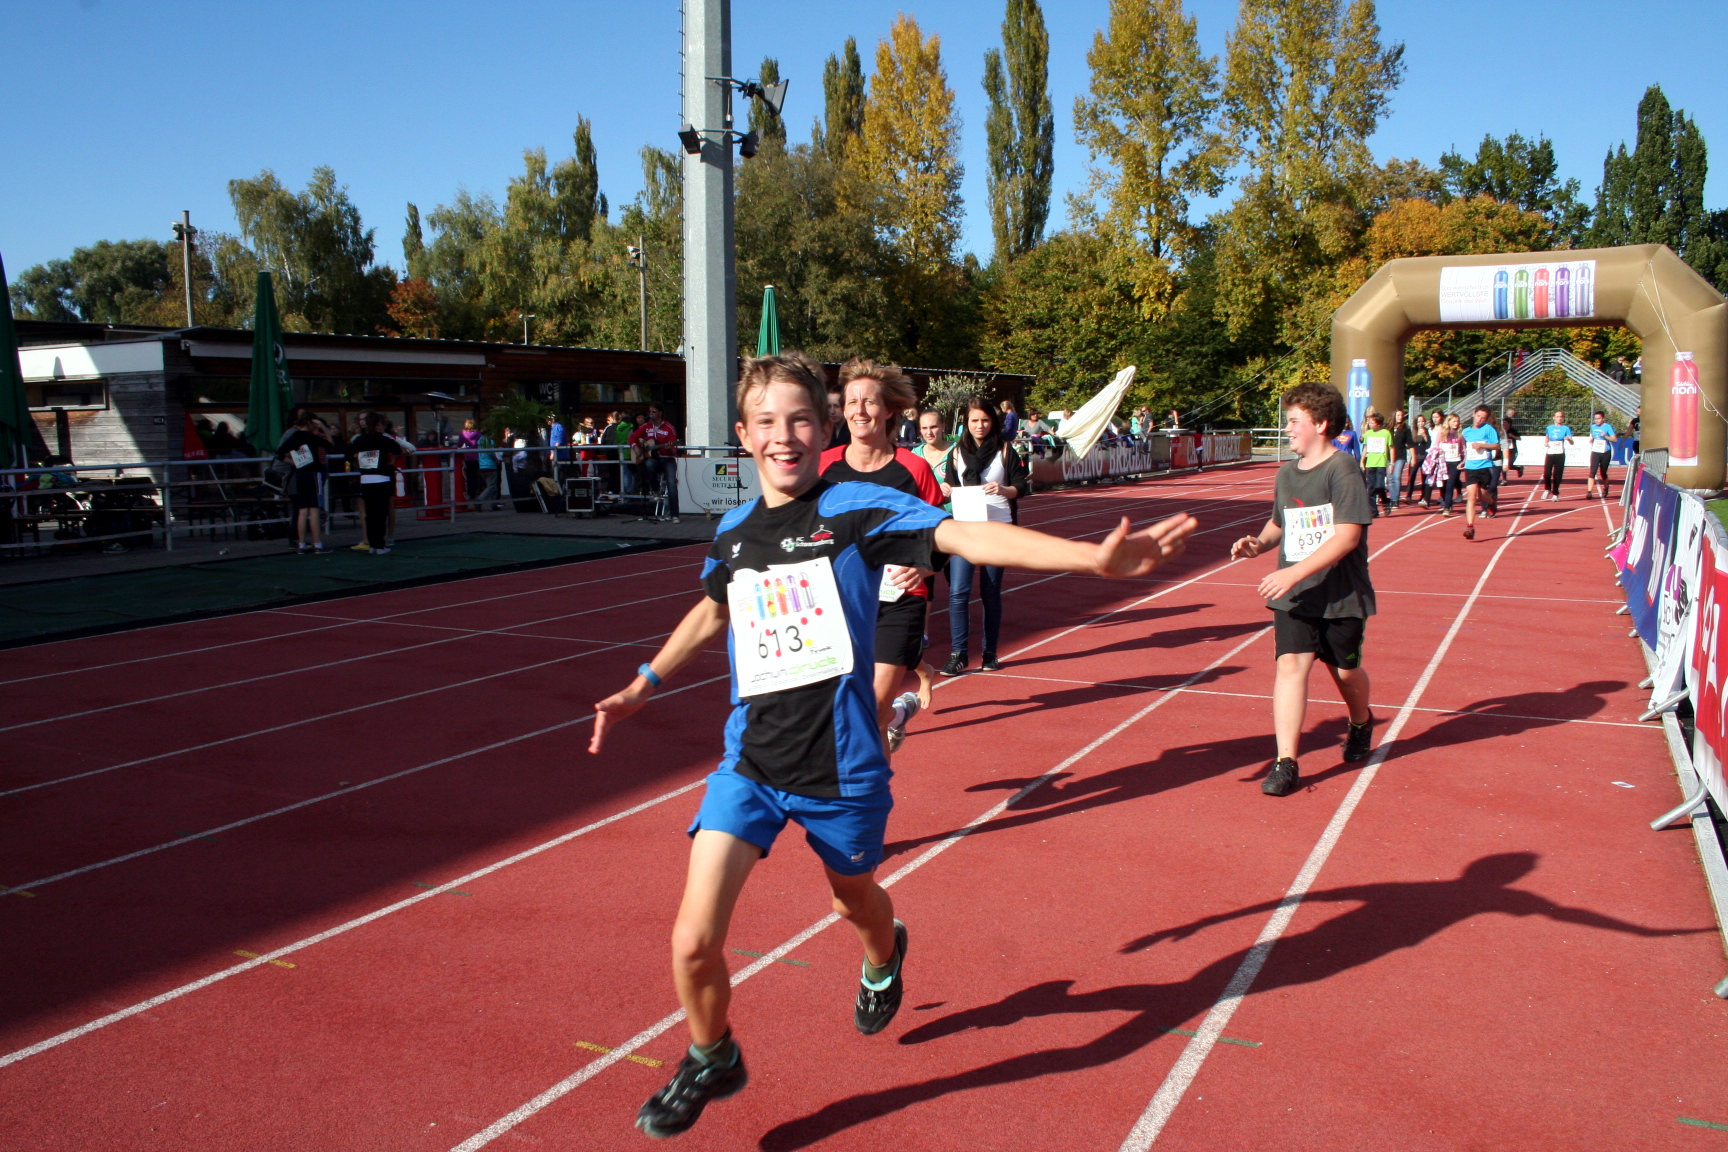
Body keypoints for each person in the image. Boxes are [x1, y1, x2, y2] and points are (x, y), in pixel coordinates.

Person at [587, 351, 1196, 1139]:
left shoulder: (856, 507)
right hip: (751, 762)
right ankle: (712, 1055)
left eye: (799, 420)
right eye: (767, 422)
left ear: (824, 429)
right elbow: (715, 607)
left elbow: (965, 538)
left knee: (854, 901)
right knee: (693, 941)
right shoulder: (734, 530)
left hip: (842, 763)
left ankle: (884, 954)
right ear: (743, 434)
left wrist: (1092, 559)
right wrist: (645, 681)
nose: (783, 436)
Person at [1230, 380, 1376, 798]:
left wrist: (1292, 574)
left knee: (1345, 671)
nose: (1288, 428)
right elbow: (1280, 523)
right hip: (1295, 597)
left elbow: (1347, 536)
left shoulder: (1342, 469)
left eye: (1295, 421)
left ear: (1321, 424)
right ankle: (1286, 762)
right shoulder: (1286, 473)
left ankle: (1361, 721)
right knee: (1290, 667)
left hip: (1339, 594)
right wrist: (1258, 544)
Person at [820, 360, 946, 752]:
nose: (859, 411)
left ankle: (893, 714)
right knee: (849, 715)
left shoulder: (914, 469)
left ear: (889, 409)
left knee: (871, 708)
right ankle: (899, 716)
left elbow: (943, 534)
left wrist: (924, 566)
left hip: (898, 598)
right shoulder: (823, 466)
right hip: (838, 600)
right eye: (851, 402)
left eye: (869, 402)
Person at [941, 398, 1033, 675]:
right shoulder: (956, 453)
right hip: (965, 530)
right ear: (966, 423)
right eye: (974, 420)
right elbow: (949, 486)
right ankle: (958, 653)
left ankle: (990, 652)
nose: (979, 425)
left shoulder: (1005, 450)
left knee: (990, 593)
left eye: (984, 420)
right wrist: (946, 489)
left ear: (993, 422)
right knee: (958, 592)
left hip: (996, 531)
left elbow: (1021, 486)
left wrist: (1003, 490)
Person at [276, 411, 332, 553]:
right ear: (309, 423)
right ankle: (317, 543)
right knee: (314, 510)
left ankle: (301, 543)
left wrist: (293, 462)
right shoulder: (312, 438)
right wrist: (323, 428)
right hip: (314, 473)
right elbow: (330, 444)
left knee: (302, 510)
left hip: (300, 473)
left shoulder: (293, 437)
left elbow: (279, 454)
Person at [349, 412, 401, 554]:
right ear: (379, 424)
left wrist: (358, 457)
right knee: (381, 513)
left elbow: (347, 454)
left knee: (370, 513)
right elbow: (397, 449)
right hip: (382, 477)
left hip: (366, 478)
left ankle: (372, 544)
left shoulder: (360, 439)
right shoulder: (383, 439)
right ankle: (380, 545)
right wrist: (390, 460)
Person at [630, 404, 681, 520]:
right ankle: (655, 490)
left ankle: (674, 514)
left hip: (667, 459)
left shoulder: (669, 428)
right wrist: (636, 447)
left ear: (660, 413)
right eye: (650, 412)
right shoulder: (646, 426)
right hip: (653, 459)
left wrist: (670, 448)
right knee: (649, 464)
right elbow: (632, 437)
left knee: (672, 483)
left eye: (653, 411)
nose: (651, 414)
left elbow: (674, 450)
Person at [1460, 405, 1499, 539]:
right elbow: (1466, 450)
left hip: (1484, 467)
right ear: (1473, 414)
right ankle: (1470, 527)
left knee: (1481, 496)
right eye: (1478, 416)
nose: (1479, 420)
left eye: (1483, 418)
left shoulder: (1488, 429)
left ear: (1486, 419)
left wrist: (1481, 445)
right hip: (1470, 467)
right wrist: (1463, 461)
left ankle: (1491, 502)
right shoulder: (1466, 432)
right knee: (1471, 497)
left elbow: (1496, 445)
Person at [1360, 410, 1391, 516]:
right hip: (1370, 463)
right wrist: (1362, 461)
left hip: (1381, 463)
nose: (1369, 424)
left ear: (1378, 424)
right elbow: (1366, 448)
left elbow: (1391, 448)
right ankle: (1373, 511)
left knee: (1379, 486)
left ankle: (1386, 501)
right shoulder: (1368, 434)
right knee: (1371, 488)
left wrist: (1392, 463)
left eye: (1372, 422)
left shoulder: (1386, 433)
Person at [913, 408, 954, 485]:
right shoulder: (915, 454)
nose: (929, 432)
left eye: (933, 427)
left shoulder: (957, 450)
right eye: (924, 428)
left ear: (943, 426)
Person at [1434, 413, 1465, 517]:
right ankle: (1447, 502)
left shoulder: (1460, 434)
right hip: (1444, 462)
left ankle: (1447, 508)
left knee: (1450, 484)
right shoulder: (1442, 432)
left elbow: (1463, 449)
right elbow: (1435, 446)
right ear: (1449, 422)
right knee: (1443, 484)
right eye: (1454, 421)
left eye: (1457, 421)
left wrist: (1463, 461)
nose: (1456, 423)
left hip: (1455, 461)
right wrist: (1439, 450)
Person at [1585, 411, 1618, 500]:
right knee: (1592, 471)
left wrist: (1605, 436)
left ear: (1603, 418)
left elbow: (1614, 439)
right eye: (1595, 419)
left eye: (1598, 418)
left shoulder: (1608, 427)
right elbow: (1594, 436)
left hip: (1605, 452)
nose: (1597, 420)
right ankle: (1589, 492)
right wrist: (1592, 439)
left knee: (1603, 472)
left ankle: (1606, 487)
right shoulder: (1593, 427)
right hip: (1595, 451)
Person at [1541, 410, 1573, 501]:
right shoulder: (1549, 428)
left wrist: (1568, 439)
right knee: (1547, 473)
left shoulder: (1566, 428)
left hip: (1560, 453)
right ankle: (1547, 489)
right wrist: (1546, 442)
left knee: (1557, 474)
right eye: (1557, 416)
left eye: (1561, 417)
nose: (1559, 418)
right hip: (1550, 452)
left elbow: (1572, 442)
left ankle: (1555, 493)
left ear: (1563, 418)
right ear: (1554, 418)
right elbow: (1547, 437)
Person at [1389, 408, 1415, 512]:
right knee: (1390, 478)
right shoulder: (1388, 428)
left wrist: (1413, 457)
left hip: (1400, 456)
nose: (1400, 417)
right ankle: (1392, 497)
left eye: (1401, 415)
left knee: (1396, 477)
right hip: (1388, 456)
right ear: (1394, 416)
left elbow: (1410, 443)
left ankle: (1395, 499)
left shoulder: (1405, 429)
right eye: (1398, 415)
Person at [1501, 408, 1524, 479]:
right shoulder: (1501, 431)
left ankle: (1519, 468)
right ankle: (1504, 479)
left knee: (1509, 465)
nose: (1504, 424)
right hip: (1504, 450)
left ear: (1509, 424)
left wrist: (1512, 436)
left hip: (1512, 451)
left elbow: (1519, 438)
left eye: (1505, 423)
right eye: (1503, 423)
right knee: (1503, 464)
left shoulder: (1513, 430)